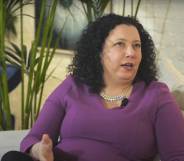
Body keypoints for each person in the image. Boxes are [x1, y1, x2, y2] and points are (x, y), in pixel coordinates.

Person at [2, 13, 184, 161]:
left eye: (137, 46)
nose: (131, 53)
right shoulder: (73, 85)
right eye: (120, 44)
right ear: (98, 51)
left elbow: (177, 156)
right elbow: (32, 139)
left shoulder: (156, 94)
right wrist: (39, 151)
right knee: (12, 158)